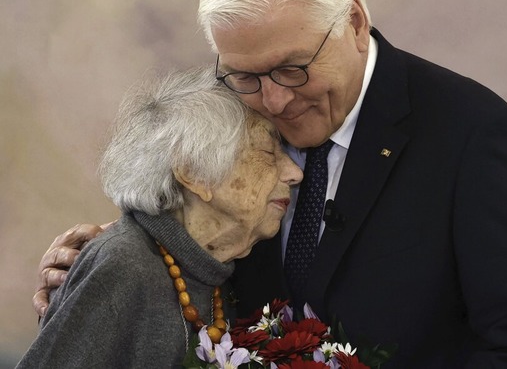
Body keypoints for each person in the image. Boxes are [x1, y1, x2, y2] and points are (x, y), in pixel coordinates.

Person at [32, 0, 507, 367]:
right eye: (245, 76)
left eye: (293, 69)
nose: (273, 101)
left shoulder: (476, 134)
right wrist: (106, 266)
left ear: (354, 21)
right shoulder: (233, 112)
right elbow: (197, 241)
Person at [18, 67, 302, 367]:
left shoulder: (212, 269)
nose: (295, 173)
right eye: (268, 153)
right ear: (192, 173)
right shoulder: (124, 264)